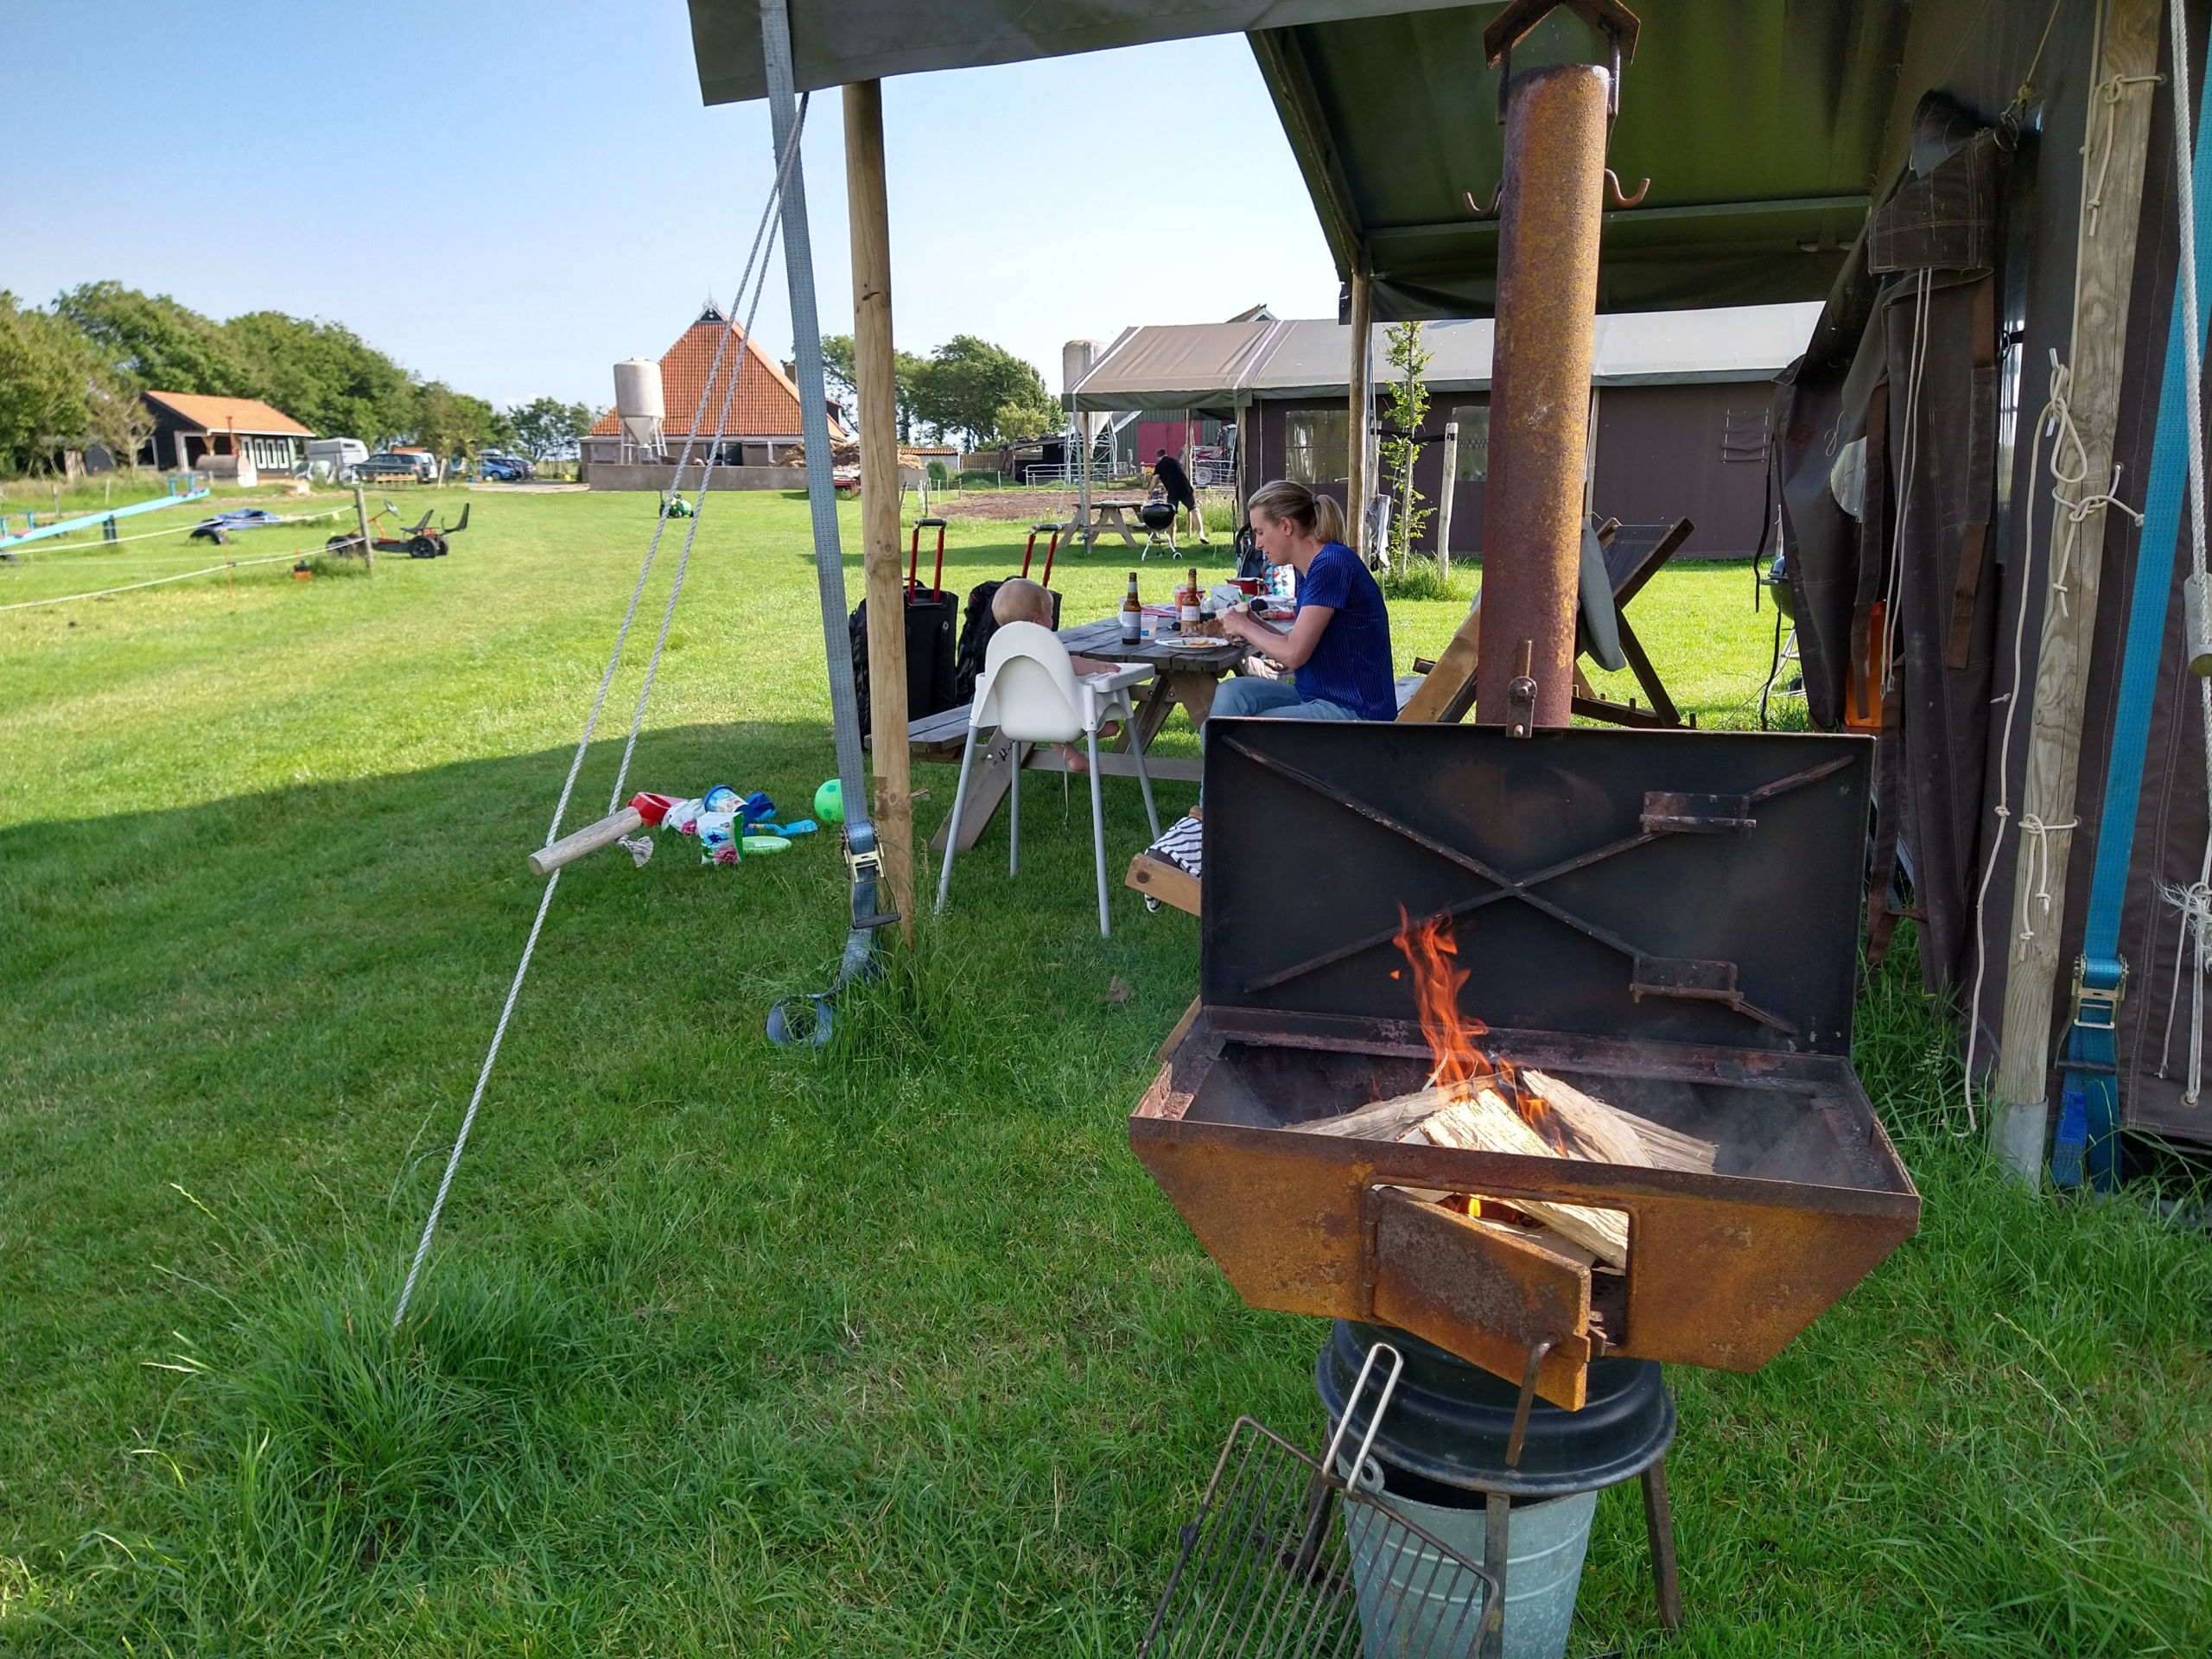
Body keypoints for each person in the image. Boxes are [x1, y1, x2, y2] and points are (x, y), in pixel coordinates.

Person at [1210, 479, 1396, 728]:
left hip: (1355, 712)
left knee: (1239, 736)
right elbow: (1297, 649)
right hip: (1318, 697)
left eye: (1261, 532)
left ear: (1286, 526)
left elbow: (1294, 655)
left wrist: (1244, 627)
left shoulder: (1331, 564)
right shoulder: (1307, 569)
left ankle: (1228, 764)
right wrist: (1255, 624)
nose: (1258, 545)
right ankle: (1223, 764)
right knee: (1232, 695)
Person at [989, 577, 1122, 770]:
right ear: (1038, 622)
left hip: (1017, 716)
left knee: (1047, 718)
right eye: (1050, 614)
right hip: (1061, 715)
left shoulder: (1001, 650)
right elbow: (1069, 664)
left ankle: (1073, 756)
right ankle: (1095, 726)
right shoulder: (1042, 646)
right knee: (1083, 689)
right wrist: (1099, 666)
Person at [1153, 447, 1210, 544]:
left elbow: (1155, 480)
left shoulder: (1160, 465)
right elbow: (1176, 476)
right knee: (1194, 510)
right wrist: (1166, 489)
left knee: (1172, 514)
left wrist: (1150, 491)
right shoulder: (1175, 461)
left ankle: (1172, 541)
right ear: (1166, 453)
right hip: (1185, 487)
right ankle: (1201, 534)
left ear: (1158, 457)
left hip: (1173, 491)